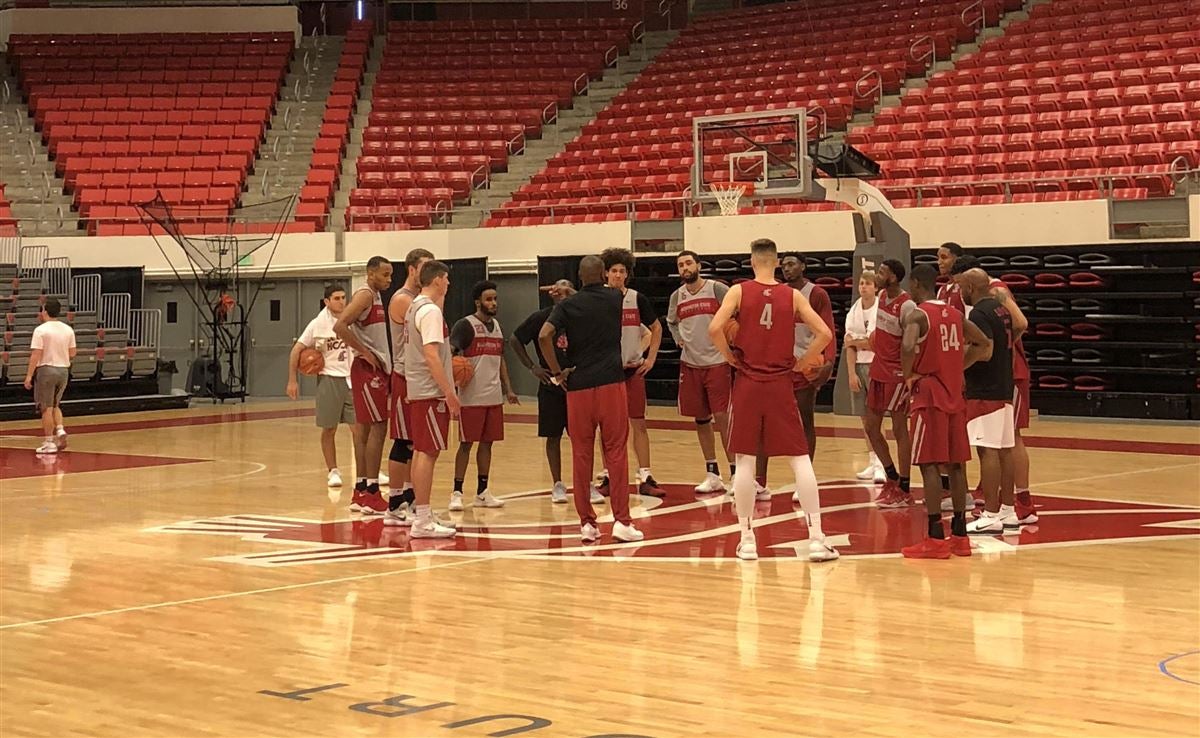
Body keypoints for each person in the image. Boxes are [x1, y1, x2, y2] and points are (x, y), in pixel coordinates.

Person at [708, 238, 839, 563]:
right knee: (799, 459)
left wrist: (729, 357)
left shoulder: (739, 291)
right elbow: (825, 333)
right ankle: (816, 539)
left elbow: (714, 328)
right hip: (781, 383)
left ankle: (748, 539)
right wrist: (802, 359)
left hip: (749, 383)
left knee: (746, 460)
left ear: (753, 262)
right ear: (777, 262)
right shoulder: (792, 295)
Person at [539, 255, 643, 544]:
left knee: (581, 455)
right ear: (604, 274)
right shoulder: (614, 298)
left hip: (578, 387)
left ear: (579, 276)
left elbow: (544, 335)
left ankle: (587, 524)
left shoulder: (567, 306)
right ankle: (622, 522)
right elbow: (598, 295)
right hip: (611, 384)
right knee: (616, 454)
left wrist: (558, 373)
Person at [898, 265, 980, 559]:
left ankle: (935, 537)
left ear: (918, 284)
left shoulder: (918, 315)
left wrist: (908, 374)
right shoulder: (956, 315)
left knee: (929, 465)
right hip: (954, 393)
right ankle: (961, 536)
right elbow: (984, 343)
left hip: (929, 394)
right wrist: (958, 365)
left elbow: (907, 345)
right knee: (957, 465)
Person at [596, 247, 665, 498]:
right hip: (607, 373)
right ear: (605, 273)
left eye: (622, 271)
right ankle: (608, 475)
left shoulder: (636, 298)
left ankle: (645, 475)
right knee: (608, 428)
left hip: (633, 369)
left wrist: (652, 357)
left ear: (627, 274)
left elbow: (656, 328)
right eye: (613, 270)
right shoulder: (598, 299)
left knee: (639, 424)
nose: (617, 275)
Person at [666, 250, 735, 494]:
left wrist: (732, 341)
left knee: (724, 419)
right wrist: (677, 339)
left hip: (718, 362)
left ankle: (736, 472)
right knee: (701, 419)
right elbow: (671, 321)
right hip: (691, 364)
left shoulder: (717, 289)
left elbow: (738, 313)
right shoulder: (677, 296)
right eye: (681, 265)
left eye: (688, 263)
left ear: (698, 265)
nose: (685, 268)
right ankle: (712, 472)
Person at [957, 268, 1019, 534]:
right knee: (1005, 449)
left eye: (961, 287)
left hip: (985, 389)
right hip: (1004, 383)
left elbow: (985, 350)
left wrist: (958, 366)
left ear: (970, 287)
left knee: (988, 450)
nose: (959, 292)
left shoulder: (979, 313)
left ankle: (991, 513)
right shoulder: (1000, 308)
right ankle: (1008, 510)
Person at [449, 280, 519, 511]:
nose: (493, 303)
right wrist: (452, 382)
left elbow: (500, 360)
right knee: (466, 444)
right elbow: (449, 356)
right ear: (478, 302)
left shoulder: (497, 326)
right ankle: (457, 492)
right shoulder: (465, 325)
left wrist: (508, 388)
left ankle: (482, 492)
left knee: (487, 444)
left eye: (495, 299)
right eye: (489, 299)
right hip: (471, 397)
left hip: (493, 396)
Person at [402, 259, 459, 538]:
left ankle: (421, 513)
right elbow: (431, 354)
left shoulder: (417, 306)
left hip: (419, 389)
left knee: (423, 451)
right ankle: (422, 520)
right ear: (438, 279)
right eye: (446, 279)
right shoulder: (430, 311)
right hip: (429, 391)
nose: (448, 284)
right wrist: (449, 392)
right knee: (427, 452)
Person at [334, 255, 393, 515]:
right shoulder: (365, 295)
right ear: (370, 274)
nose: (389, 280)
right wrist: (365, 352)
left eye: (391, 275)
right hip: (368, 370)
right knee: (378, 428)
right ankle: (371, 492)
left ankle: (360, 491)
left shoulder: (375, 295)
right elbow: (340, 325)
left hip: (369, 370)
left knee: (364, 431)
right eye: (385, 275)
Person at [509, 279, 576, 504]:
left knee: (581, 437)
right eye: (558, 287)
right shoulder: (540, 318)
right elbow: (515, 340)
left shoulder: (580, 315)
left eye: (566, 287)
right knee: (552, 436)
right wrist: (532, 367)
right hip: (551, 384)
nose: (562, 291)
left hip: (577, 382)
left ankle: (585, 483)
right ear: (552, 294)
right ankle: (557, 484)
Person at [286, 284, 359, 488]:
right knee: (329, 429)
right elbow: (296, 350)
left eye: (343, 297)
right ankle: (333, 470)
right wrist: (292, 379)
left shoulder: (352, 319)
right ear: (326, 301)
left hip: (352, 378)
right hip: (329, 378)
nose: (341, 301)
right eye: (336, 298)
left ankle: (366, 471)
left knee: (359, 430)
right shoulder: (317, 324)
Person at [382, 248, 433, 527]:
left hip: (415, 377)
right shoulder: (403, 299)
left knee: (414, 442)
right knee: (403, 441)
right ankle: (393, 503)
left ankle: (411, 497)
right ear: (412, 269)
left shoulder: (417, 299)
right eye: (423, 267)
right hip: (403, 376)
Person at [866, 259, 916, 508]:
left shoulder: (907, 305)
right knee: (871, 427)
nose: (878, 275)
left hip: (897, 373)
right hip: (878, 368)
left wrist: (909, 375)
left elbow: (912, 345)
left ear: (894, 277)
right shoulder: (882, 294)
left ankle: (905, 487)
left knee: (899, 430)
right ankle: (892, 476)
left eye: (882, 272)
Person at [844, 269, 883, 483]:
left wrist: (857, 341)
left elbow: (876, 343)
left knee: (876, 417)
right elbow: (848, 345)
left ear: (876, 287)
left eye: (868, 283)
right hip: (859, 366)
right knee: (863, 417)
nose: (863, 286)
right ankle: (872, 458)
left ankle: (882, 464)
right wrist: (851, 373)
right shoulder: (854, 311)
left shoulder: (880, 309)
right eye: (861, 283)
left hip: (877, 366)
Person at [24, 297, 75, 455]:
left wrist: (29, 376)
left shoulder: (41, 330)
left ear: (44, 311)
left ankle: (49, 442)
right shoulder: (68, 329)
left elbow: (36, 354)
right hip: (64, 370)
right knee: (56, 404)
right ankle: (59, 429)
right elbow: (72, 353)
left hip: (47, 370)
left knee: (46, 408)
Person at [936, 242, 966, 314]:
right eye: (938, 258)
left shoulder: (965, 286)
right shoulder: (941, 290)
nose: (939, 262)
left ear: (957, 259)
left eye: (944, 257)